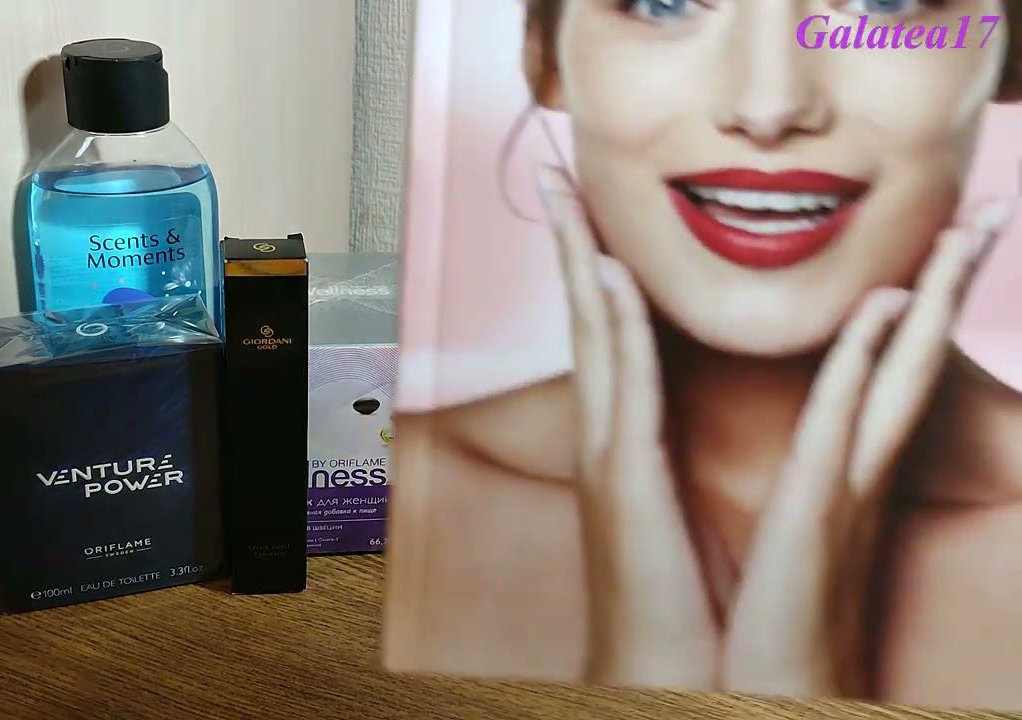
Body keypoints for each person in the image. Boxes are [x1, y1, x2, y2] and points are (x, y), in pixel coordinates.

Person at [386, 0, 1022, 705]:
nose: (768, 106)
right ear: (544, 53)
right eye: (664, 3)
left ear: (1009, 53)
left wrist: (802, 685)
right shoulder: (369, 509)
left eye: (882, 2)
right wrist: (641, 674)